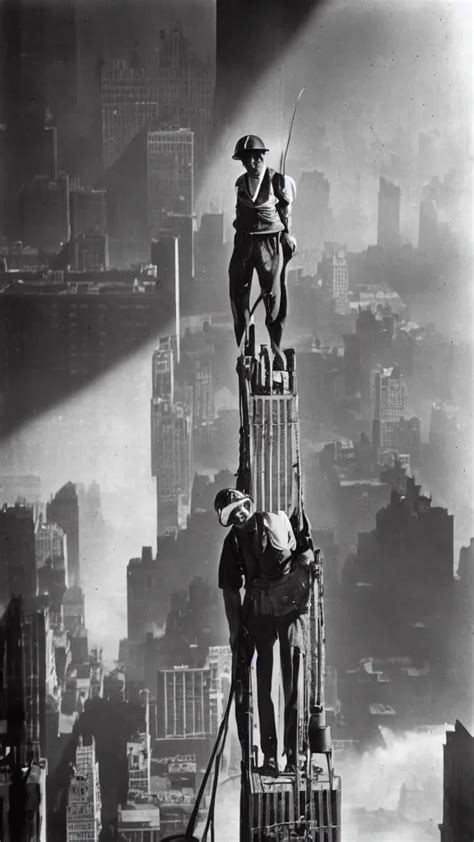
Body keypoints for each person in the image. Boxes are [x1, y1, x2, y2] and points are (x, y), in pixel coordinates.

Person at [215, 488, 312, 777]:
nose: (240, 514)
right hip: (259, 610)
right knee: (265, 684)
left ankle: (294, 757)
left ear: (248, 503)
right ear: (229, 519)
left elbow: (304, 549)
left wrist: (303, 577)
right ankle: (270, 756)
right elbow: (230, 590)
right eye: (233, 513)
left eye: (241, 507)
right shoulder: (232, 542)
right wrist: (235, 632)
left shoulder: (276, 520)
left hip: (290, 604)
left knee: (293, 680)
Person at [229, 135, 297, 367]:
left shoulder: (279, 181)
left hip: (269, 242)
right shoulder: (240, 183)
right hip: (244, 242)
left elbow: (286, 213)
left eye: (255, 158)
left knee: (273, 295)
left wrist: (287, 234)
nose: (251, 163)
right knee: (238, 290)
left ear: (262, 157)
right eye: (246, 160)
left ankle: (275, 348)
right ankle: (244, 346)